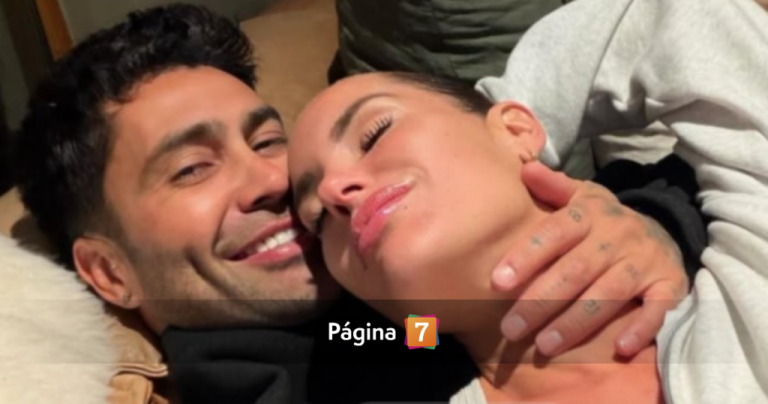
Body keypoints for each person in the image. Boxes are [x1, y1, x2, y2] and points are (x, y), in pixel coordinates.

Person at [12, 4, 700, 403]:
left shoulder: (373, 308)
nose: (273, 180)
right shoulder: (321, 360)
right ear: (109, 273)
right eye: (192, 169)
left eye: (269, 140)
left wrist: (652, 223)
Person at [288, 0, 768, 402]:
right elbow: (366, 336)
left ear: (518, 127)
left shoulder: (748, 277)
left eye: (375, 132)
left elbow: (670, 13)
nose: (333, 192)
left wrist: (501, 129)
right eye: (316, 218)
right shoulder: (387, 352)